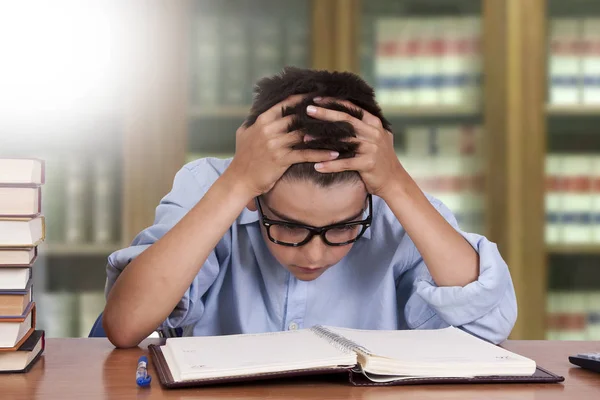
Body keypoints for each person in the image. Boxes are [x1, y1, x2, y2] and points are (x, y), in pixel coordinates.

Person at [103, 67, 517, 348]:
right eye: (288, 227)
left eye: (342, 229)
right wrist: (237, 184)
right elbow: (126, 324)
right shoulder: (215, 187)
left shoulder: (393, 199)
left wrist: (399, 186)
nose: (315, 254)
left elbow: (486, 324)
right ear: (257, 198)